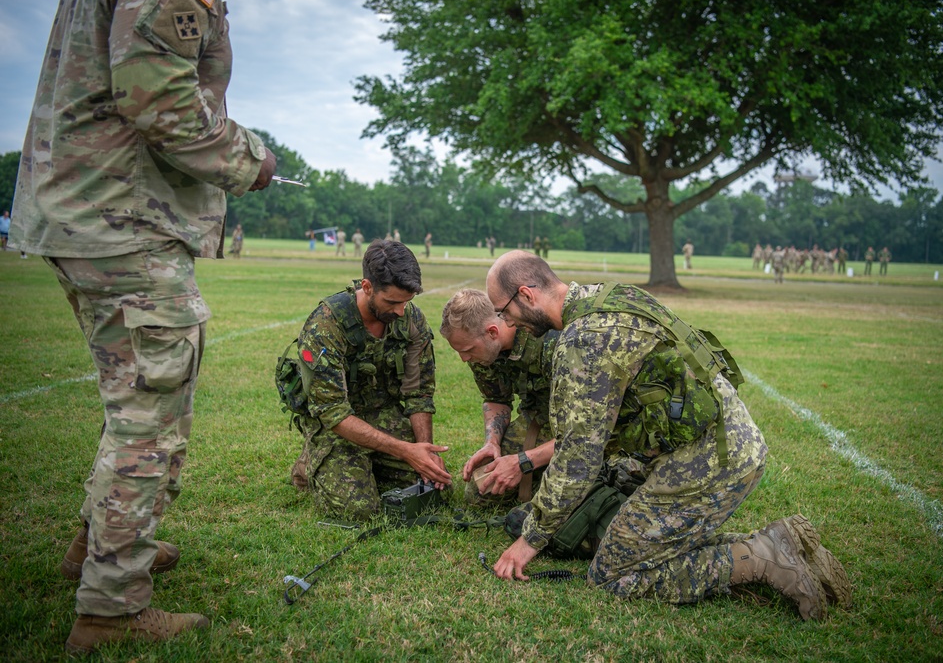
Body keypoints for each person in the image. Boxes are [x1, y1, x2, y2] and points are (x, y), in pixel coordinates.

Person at [8, 0, 277, 653]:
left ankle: (98, 547)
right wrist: (251, 161)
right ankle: (112, 606)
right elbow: (160, 102)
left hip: (87, 206)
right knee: (151, 413)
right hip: (119, 211)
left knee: (131, 400)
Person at [484, 252, 850, 620]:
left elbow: (576, 459)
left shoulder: (583, 341)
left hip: (706, 462)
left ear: (527, 294)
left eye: (504, 310)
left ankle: (763, 558)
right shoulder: (612, 296)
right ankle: (784, 544)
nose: (506, 320)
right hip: (731, 440)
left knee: (613, 575)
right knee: (643, 544)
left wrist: (529, 540)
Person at [289, 240, 450, 520]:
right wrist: (405, 451)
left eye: (406, 302)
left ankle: (369, 463)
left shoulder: (410, 320)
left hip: (383, 414)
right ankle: (310, 461)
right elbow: (333, 412)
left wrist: (425, 451)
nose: (400, 311)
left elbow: (418, 393)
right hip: (336, 425)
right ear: (367, 287)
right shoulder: (326, 326)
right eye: (392, 302)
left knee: (434, 490)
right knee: (359, 511)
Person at [439, 289, 558, 507]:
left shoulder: (548, 341)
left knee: (562, 498)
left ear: (493, 332)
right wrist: (491, 442)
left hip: (579, 426)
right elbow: (496, 399)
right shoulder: (483, 353)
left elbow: (586, 431)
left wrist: (523, 462)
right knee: (481, 492)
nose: (464, 359)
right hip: (538, 420)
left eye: (467, 350)